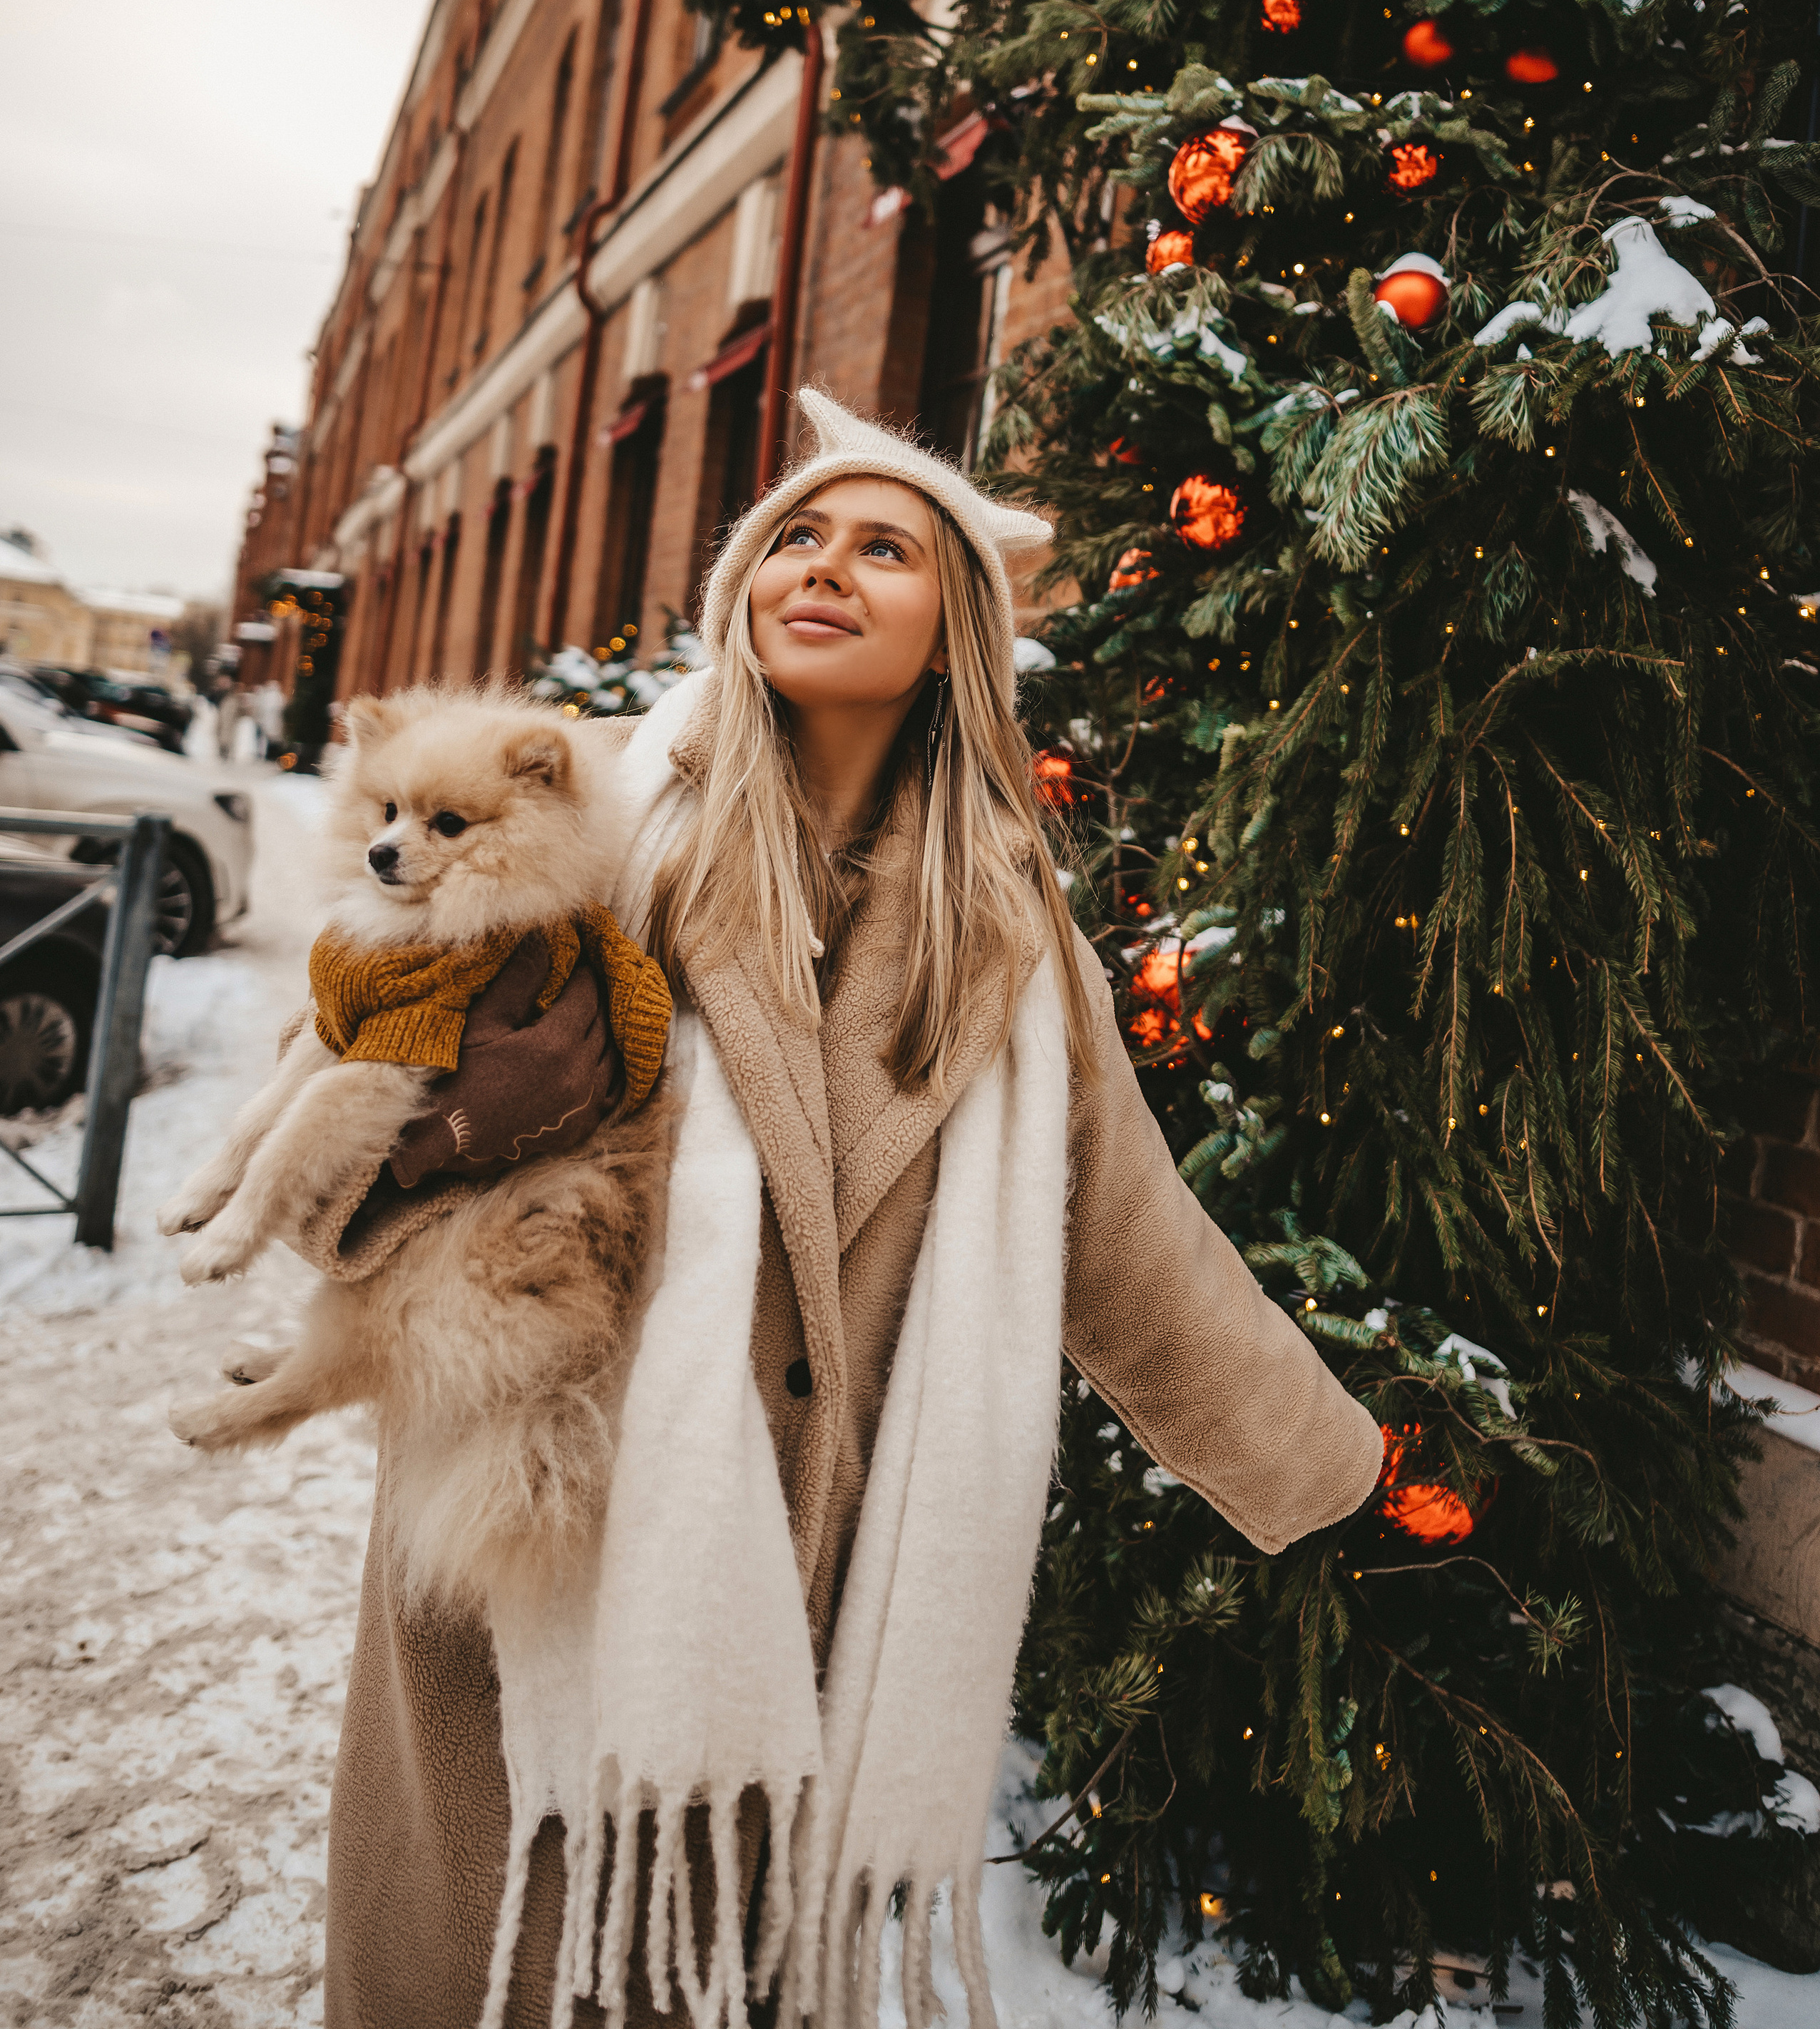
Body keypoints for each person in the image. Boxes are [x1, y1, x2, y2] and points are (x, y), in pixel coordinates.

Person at [315, 394, 1383, 2029]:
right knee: (500, 1954)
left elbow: (1123, 1227)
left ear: (956, 631)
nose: (820, 567)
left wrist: (1317, 1466)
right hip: (533, 1495)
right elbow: (340, 1053)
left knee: (693, 1968)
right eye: (794, 538)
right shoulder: (601, 827)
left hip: (786, 1550)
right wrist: (447, 1126)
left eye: (882, 548)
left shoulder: (1002, 926)